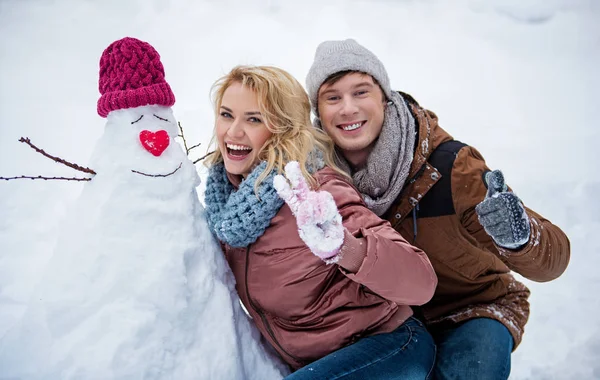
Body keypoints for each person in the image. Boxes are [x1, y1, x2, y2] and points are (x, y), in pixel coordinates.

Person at [305, 39, 571, 380]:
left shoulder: (450, 168)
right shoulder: (318, 180)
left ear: (385, 99)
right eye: (333, 97)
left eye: (361, 92)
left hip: (472, 308)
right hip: (388, 322)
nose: (348, 108)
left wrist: (518, 238)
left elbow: (553, 264)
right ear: (318, 112)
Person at [203, 65, 439, 379]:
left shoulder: (315, 193)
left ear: (284, 128)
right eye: (226, 114)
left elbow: (421, 283)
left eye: (254, 119)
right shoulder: (225, 207)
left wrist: (346, 248)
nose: (233, 132)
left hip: (390, 347)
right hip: (315, 365)